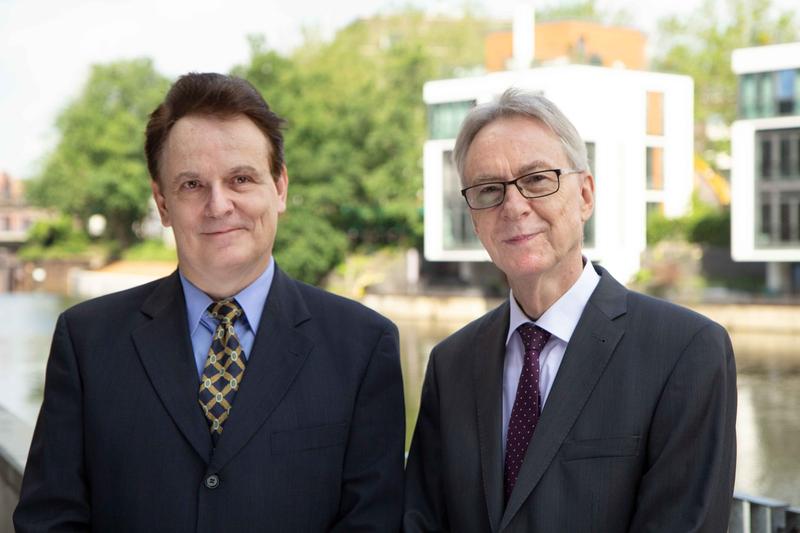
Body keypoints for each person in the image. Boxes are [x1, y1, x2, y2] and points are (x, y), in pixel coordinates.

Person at [14, 72, 405, 532]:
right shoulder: (86, 340)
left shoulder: (363, 346)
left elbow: (373, 523)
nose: (219, 205)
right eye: (192, 185)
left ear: (279, 188)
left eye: (241, 178)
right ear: (162, 203)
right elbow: (50, 519)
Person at [403, 88, 736, 532]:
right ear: (474, 219)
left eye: (538, 180)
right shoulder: (451, 364)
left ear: (584, 195)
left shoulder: (686, 351)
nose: (514, 206)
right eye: (489, 190)